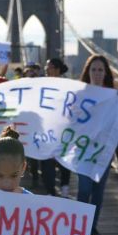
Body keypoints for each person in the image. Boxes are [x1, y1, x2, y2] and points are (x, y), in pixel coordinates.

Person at [76, 54, 118, 235]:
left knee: (98, 191)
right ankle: (80, 227)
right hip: (83, 151)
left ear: (105, 73)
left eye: (100, 70)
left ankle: (92, 228)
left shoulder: (112, 95)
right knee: (84, 189)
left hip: (103, 152)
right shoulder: (80, 94)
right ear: (87, 72)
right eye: (93, 69)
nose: (97, 73)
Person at [41, 58, 72, 197]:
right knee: (46, 160)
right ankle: (50, 191)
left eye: (50, 67)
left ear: (58, 69)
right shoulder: (41, 86)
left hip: (63, 129)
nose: (47, 69)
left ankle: (65, 185)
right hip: (46, 130)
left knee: (64, 159)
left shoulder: (68, 86)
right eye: (46, 67)